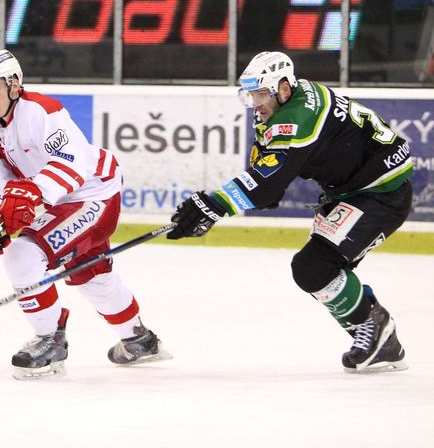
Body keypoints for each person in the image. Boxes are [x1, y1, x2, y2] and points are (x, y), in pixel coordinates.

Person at [167, 51, 412, 373]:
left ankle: (376, 329)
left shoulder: (297, 116)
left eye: (260, 94)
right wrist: (216, 205)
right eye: (249, 95)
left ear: (283, 88)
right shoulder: (282, 106)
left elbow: (266, 186)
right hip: (353, 191)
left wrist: (213, 206)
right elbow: (268, 183)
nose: (254, 103)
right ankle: (375, 328)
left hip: (381, 192)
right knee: (316, 269)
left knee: (315, 267)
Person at [0, 49, 171, 379]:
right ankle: (139, 339)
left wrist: (33, 193)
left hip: (94, 192)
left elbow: (70, 163)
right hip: (60, 202)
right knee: (90, 274)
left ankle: (50, 341)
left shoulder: (42, 111)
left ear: (14, 84)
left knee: (22, 257)